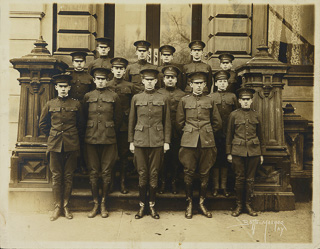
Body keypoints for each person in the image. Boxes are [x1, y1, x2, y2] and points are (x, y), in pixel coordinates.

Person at [176, 71, 222, 219]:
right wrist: (189, 133)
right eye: (196, 83)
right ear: (190, 85)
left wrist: (206, 133)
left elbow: (217, 123)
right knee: (188, 172)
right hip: (189, 141)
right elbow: (179, 123)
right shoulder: (184, 101)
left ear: (205, 85)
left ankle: (202, 203)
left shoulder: (210, 101)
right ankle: (189, 203)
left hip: (207, 141)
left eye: (201, 84)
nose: (198, 86)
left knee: (205, 172)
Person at [39, 73, 84, 221]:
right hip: (55, 144)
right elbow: (43, 125)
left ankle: (66, 205)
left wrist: (71, 135)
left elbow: (81, 124)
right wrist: (53, 135)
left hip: (71, 144)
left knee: (69, 176)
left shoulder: (76, 104)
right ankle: (57, 206)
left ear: (69, 88)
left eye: (65, 87)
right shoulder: (50, 104)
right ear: (56, 88)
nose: (63, 89)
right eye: (60, 87)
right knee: (57, 176)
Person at [128, 68, 171, 219]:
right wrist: (131, 141)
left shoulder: (163, 98)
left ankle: (152, 206)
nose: (149, 83)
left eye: (152, 80)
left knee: (154, 173)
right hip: (140, 140)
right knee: (142, 173)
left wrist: (166, 141)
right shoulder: (136, 98)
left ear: (156, 81)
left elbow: (167, 121)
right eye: (147, 80)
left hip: (157, 140)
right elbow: (131, 120)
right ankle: (141, 206)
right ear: (143, 81)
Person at [83, 67, 122, 218]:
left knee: (106, 172)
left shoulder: (114, 96)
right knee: (93, 172)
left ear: (107, 80)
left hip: (109, 139)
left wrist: (110, 131)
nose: (100, 82)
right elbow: (84, 117)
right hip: (91, 139)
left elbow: (118, 119)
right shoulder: (88, 96)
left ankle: (104, 203)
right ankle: (95, 204)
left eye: (103, 79)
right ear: (94, 80)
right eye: (98, 79)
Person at [226, 87, 265, 217]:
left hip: (253, 151)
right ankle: (239, 205)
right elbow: (229, 135)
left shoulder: (257, 115)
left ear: (252, 100)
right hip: (237, 151)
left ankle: (248, 205)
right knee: (239, 179)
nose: (246, 102)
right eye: (243, 100)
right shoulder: (234, 115)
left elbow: (261, 135)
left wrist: (261, 154)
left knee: (250, 180)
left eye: (248, 99)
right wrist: (229, 153)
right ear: (239, 101)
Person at [106, 57, 136, 194]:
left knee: (123, 155)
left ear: (125, 71)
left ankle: (123, 182)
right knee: (110, 155)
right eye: (116, 69)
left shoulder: (130, 87)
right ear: (112, 70)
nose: (118, 71)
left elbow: (135, 104)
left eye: (121, 69)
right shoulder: (106, 85)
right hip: (109, 125)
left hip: (124, 125)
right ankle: (111, 181)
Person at [208, 71, 238, 197]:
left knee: (226, 161)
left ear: (227, 83)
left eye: (224, 81)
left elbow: (236, 114)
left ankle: (224, 187)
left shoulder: (232, 97)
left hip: (228, 134)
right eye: (220, 81)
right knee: (215, 160)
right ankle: (215, 187)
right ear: (216, 83)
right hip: (215, 134)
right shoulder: (211, 97)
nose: (222, 84)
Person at [157, 65, 186, 194]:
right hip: (161, 131)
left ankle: (174, 182)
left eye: (172, 77)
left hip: (177, 131)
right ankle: (162, 182)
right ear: (163, 79)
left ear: (176, 80)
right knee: (162, 159)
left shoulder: (183, 95)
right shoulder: (158, 93)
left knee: (175, 158)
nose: (170, 80)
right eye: (167, 77)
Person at [68, 51, 94, 174]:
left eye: (81, 62)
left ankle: (83, 165)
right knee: (73, 138)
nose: (79, 64)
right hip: (71, 112)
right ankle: (74, 165)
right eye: (76, 62)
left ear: (85, 62)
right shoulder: (68, 77)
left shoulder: (89, 78)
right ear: (73, 63)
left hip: (85, 112)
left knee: (84, 138)